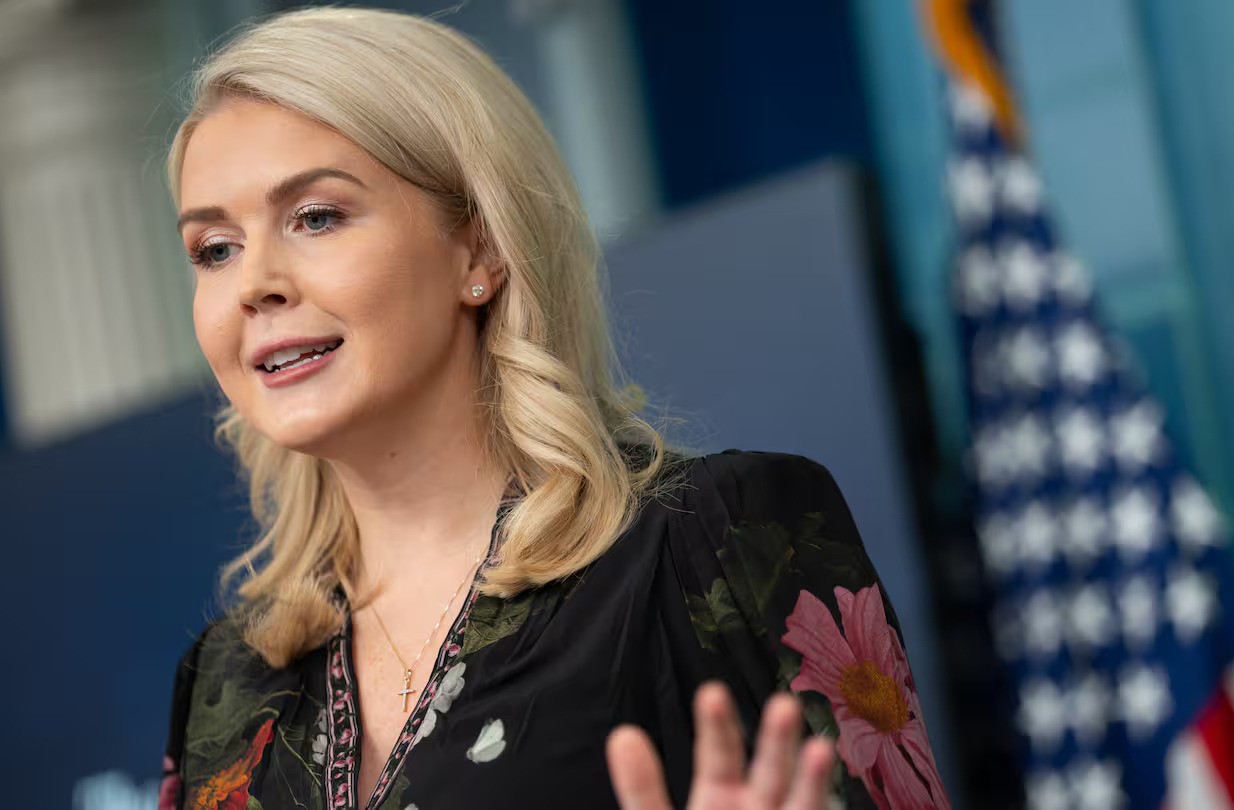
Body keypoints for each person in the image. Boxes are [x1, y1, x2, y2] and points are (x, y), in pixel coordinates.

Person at [160, 7, 950, 809]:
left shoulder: (717, 540)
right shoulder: (221, 683)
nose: (253, 283)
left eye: (316, 217)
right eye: (214, 249)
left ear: (480, 247)